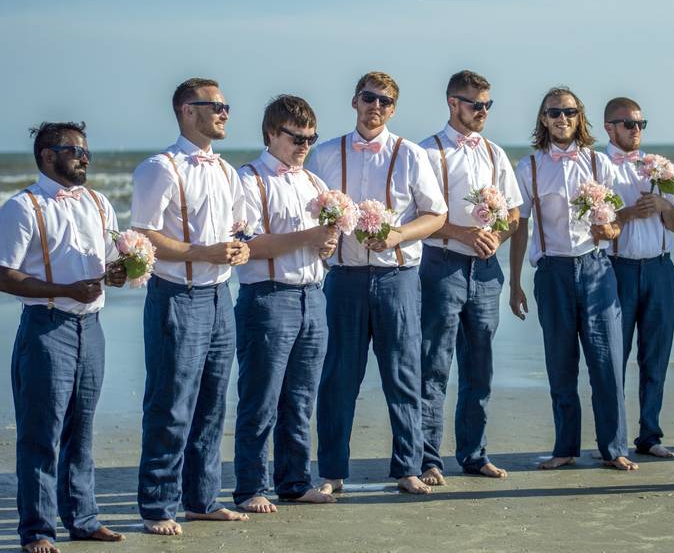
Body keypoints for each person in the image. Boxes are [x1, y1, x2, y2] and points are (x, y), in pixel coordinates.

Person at [306, 71, 447, 496]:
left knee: (403, 375)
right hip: (344, 279)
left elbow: (436, 214)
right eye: (369, 98)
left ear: (393, 109)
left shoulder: (410, 154)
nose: (376, 107)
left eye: (385, 102)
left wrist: (398, 235)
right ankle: (331, 472)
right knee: (338, 379)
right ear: (354, 101)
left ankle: (408, 467)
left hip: (398, 279)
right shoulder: (325, 154)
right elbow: (305, 210)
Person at [0, 122, 127, 553]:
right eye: (74, 151)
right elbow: (4, 274)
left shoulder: (98, 202)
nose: (84, 158)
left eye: (86, 151)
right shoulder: (23, 206)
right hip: (46, 327)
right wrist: (64, 290)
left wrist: (123, 271)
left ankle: (84, 519)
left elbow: (113, 261)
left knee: (82, 429)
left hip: (91, 329)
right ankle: (37, 531)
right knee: (41, 433)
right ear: (47, 156)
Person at [131, 78, 250, 535]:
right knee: (171, 402)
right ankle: (158, 506)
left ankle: (202, 500)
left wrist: (239, 248)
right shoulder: (159, 168)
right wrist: (204, 252)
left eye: (225, 105)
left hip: (221, 296)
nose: (223, 112)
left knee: (212, 404)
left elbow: (238, 230)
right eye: (214, 105)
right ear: (186, 110)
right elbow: (143, 238)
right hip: (176, 297)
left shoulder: (225, 170)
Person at [509, 86, 636, 472]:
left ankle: (614, 447)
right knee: (560, 364)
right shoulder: (528, 167)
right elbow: (521, 228)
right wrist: (514, 283)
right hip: (552, 272)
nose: (561, 118)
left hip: (596, 268)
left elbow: (616, 220)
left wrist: (611, 231)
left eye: (568, 112)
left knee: (607, 362)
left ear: (579, 117)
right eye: (553, 112)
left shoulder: (601, 164)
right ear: (543, 119)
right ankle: (565, 448)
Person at [232, 95, 339, 513]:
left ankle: (295, 481)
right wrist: (310, 238)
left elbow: (322, 246)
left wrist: (327, 243)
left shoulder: (314, 183)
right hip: (267, 297)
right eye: (297, 138)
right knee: (260, 398)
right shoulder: (248, 179)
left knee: (301, 397)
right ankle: (250, 487)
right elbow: (245, 245)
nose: (305, 146)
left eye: (311, 138)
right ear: (273, 133)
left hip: (314, 296)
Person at [417, 70, 522, 485]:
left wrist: (496, 235)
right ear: (452, 103)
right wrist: (462, 232)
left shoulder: (495, 154)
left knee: (480, 367)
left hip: (486, 273)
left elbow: (513, 214)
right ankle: (427, 458)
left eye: (487, 105)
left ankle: (474, 454)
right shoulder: (427, 152)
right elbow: (416, 218)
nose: (482, 111)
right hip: (440, 266)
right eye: (475, 104)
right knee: (434, 365)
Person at [602, 97, 674, 458]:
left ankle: (650, 435)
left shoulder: (659, 167)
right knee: (613, 359)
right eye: (628, 124)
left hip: (661, 269)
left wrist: (665, 205)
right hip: (617, 269)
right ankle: (614, 440)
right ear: (610, 127)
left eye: (640, 124)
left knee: (656, 356)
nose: (636, 130)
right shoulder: (599, 165)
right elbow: (592, 222)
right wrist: (628, 213)